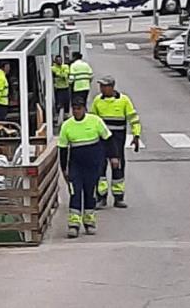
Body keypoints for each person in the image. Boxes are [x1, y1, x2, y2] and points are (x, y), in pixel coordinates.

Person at [58, 95, 112, 238]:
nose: (77, 112)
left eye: (79, 109)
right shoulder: (67, 126)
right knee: (75, 193)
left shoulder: (95, 121)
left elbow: (108, 140)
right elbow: (62, 149)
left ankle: (89, 223)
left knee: (90, 194)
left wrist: (113, 157)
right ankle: (73, 225)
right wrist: (63, 168)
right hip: (76, 166)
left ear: (84, 109)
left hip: (93, 166)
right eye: (74, 109)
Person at [90, 75, 141, 209]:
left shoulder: (123, 100)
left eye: (104, 86)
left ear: (112, 87)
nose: (101, 89)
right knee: (99, 169)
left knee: (117, 168)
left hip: (117, 141)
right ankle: (101, 197)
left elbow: (133, 119)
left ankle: (118, 197)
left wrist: (136, 135)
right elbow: (92, 120)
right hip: (100, 141)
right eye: (100, 86)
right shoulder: (97, 101)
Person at [52, 54, 71, 125]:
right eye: (58, 60)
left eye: (60, 60)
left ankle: (66, 118)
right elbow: (58, 74)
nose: (59, 61)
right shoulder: (53, 68)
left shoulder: (65, 66)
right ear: (55, 61)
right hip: (58, 89)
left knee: (67, 103)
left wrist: (58, 74)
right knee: (59, 104)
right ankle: (57, 118)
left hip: (66, 87)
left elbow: (65, 75)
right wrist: (60, 74)